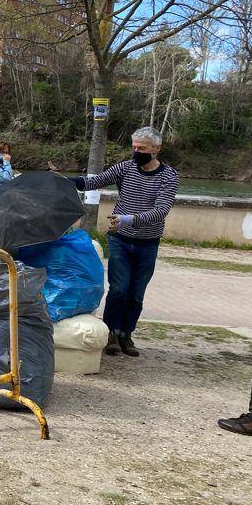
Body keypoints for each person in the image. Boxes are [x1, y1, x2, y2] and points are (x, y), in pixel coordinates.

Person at [74, 126, 179, 358]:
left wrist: (128, 219)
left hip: (148, 242)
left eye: (141, 148)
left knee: (136, 293)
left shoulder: (169, 176)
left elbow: (161, 211)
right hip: (119, 240)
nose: (135, 151)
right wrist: (69, 182)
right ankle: (111, 332)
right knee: (119, 289)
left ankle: (126, 333)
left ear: (156, 149)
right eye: (133, 147)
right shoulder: (126, 167)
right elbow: (98, 181)